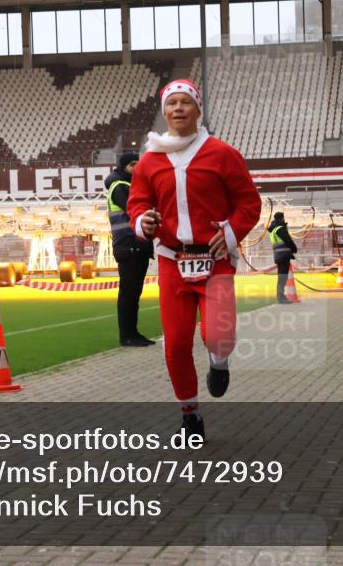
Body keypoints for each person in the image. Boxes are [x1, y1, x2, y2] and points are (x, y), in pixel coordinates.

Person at [128, 79, 261, 439]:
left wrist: (230, 233)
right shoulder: (149, 160)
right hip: (172, 260)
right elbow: (136, 203)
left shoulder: (222, 153)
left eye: (186, 102)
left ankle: (219, 362)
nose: (178, 109)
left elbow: (249, 203)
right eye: (172, 103)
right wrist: (144, 221)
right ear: (164, 111)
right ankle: (190, 415)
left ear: (198, 109)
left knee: (217, 335)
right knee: (175, 343)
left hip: (214, 259)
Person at [104, 152, 156, 347]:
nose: (136, 168)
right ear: (123, 167)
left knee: (133, 293)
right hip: (129, 245)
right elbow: (135, 210)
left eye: (138, 164)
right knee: (129, 294)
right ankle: (127, 335)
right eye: (132, 165)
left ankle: (132, 333)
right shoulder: (121, 187)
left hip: (135, 245)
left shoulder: (127, 186)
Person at [268, 212, 298, 304]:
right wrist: (294, 249)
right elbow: (288, 240)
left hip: (278, 255)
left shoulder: (273, 230)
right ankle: (281, 298)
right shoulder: (280, 229)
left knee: (281, 277)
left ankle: (281, 297)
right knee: (283, 277)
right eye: (283, 218)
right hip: (284, 255)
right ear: (281, 218)